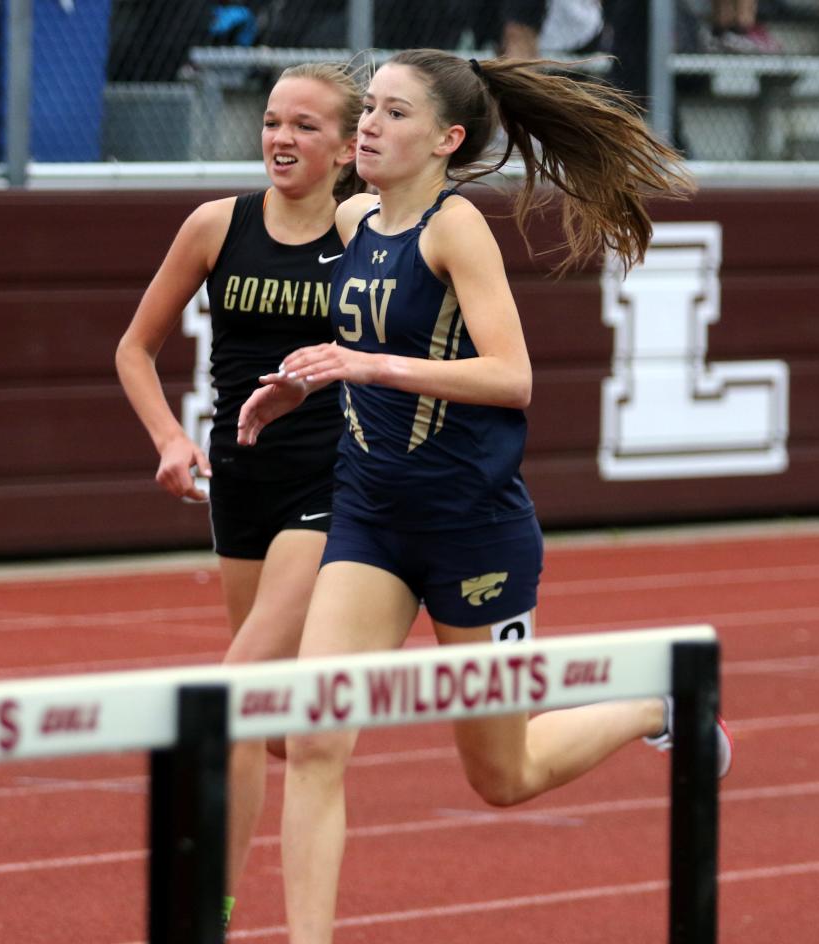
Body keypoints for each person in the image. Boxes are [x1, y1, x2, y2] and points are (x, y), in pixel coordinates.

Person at [237, 48, 734, 943]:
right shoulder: (353, 219)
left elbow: (513, 378)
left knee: (501, 778)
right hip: (371, 521)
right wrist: (303, 383)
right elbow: (346, 337)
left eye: (391, 113)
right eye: (368, 112)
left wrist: (364, 365)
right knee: (314, 740)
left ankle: (655, 704)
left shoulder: (454, 227)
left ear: (446, 139)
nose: (369, 128)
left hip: (471, 532)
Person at [114, 60, 363, 930]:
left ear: (345, 147)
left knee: (237, 692)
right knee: (267, 721)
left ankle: (202, 914)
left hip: (333, 481)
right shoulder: (216, 226)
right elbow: (134, 349)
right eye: (270, 122)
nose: (281, 139)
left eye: (304, 126)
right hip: (240, 484)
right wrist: (170, 438)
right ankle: (242, 886)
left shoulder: (368, 230)